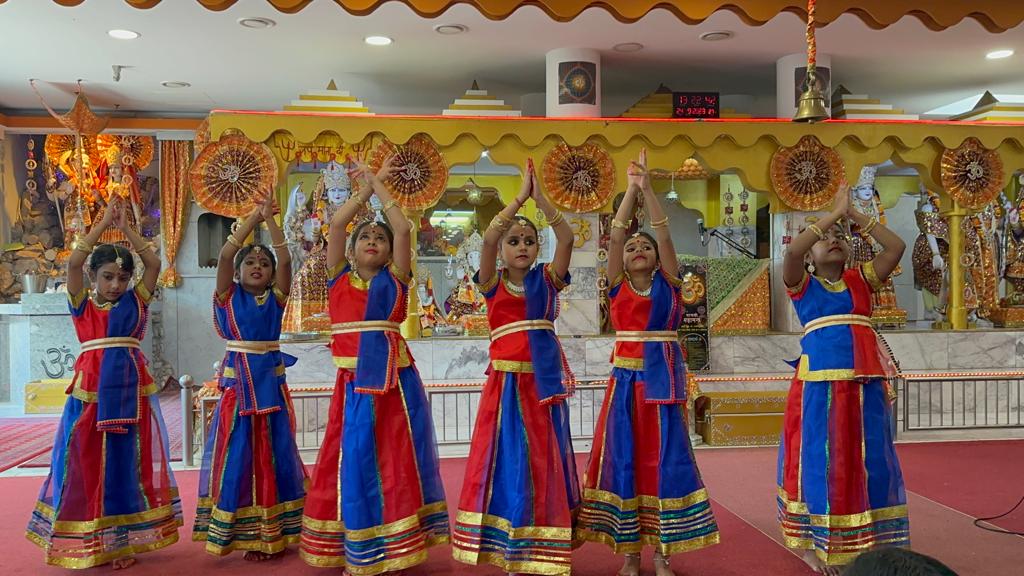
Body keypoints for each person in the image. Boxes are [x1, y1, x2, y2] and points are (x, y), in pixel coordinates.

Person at [300, 156, 449, 574]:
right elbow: (335, 226)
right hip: (352, 383)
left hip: (396, 383)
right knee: (355, 457)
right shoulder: (337, 277)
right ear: (350, 249)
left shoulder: (396, 280)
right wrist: (365, 189)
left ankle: (395, 544)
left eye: (379, 239)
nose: (373, 241)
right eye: (365, 236)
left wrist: (383, 188)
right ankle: (358, 546)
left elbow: (403, 227)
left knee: (395, 458)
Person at [578, 150, 719, 576]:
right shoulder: (617, 286)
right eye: (633, 247)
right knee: (624, 461)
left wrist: (649, 189)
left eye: (647, 248)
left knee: (664, 462)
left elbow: (665, 233)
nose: (638, 248)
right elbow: (618, 233)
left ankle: (662, 553)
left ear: (659, 260)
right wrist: (630, 190)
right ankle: (629, 555)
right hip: (625, 386)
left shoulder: (672, 287)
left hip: (664, 386)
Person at [26, 197, 180, 569]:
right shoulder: (82, 304)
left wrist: (127, 228)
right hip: (90, 392)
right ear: (94, 278)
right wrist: (102, 225)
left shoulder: (137, 302)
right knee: (85, 461)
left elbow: (156, 264)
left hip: (130, 392)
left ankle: (121, 540)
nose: (116, 284)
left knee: (126, 464)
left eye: (123, 277)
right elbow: (75, 261)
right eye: (108, 276)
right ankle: (86, 536)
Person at [452, 159, 579, 575]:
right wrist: (516, 200)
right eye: (514, 241)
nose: (521, 246)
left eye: (528, 240)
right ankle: (508, 542)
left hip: (542, 386)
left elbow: (567, 236)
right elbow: (487, 241)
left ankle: (542, 544)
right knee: (506, 461)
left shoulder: (548, 279)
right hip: (505, 386)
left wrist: (540, 199)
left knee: (543, 461)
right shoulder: (491, 281)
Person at [779, 182, 909, 575]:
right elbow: (792, 252)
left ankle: (866, 538)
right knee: (820, 462)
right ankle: (813, 544)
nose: (832, 240)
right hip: (818, 388)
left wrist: (855, 216)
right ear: (812, 259)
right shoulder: (803, 285)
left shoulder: (862, 280)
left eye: (839, 238)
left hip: (865, 386)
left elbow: (896, 248)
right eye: (824, 238)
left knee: (870, 460)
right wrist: (832, 216)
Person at [192, 194, 307, 560]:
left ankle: (273, 530)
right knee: (238, 453)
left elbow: (286, 257)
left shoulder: (276, 299)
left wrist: (271, 220)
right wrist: (250, 220)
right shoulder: (228, 297)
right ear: (238, 273)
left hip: (271, 384)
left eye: (263, 263)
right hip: (237, 387)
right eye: (250, 263)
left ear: (272, 275)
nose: (258, 266)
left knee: (274, 453)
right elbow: (226, 255)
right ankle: (241, 533)